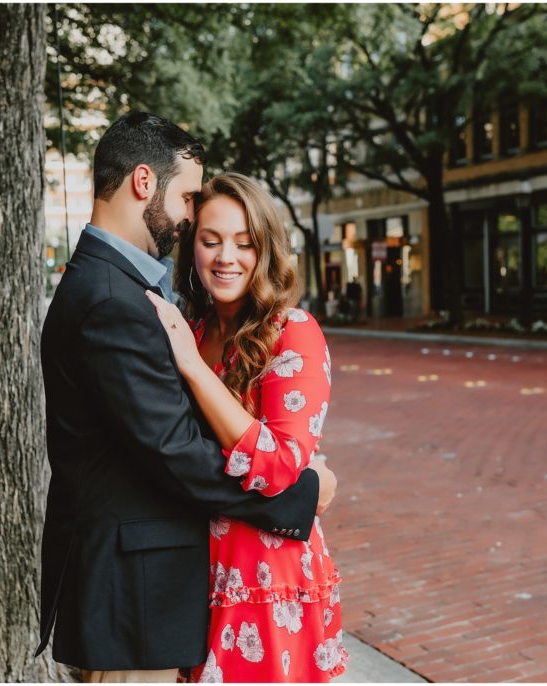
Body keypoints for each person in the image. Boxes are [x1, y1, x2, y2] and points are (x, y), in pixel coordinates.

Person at [36, 111, 337, 682]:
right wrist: (301, 494)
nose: (190, 217)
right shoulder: (115, 300)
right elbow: (174, 450)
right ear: (144, 184)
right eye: (191, 204)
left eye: (244, 243)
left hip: (200, 587)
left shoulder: (128, 294)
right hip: (135, 598)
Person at [146, 172, 348, 682]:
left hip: (267, 573)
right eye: (211, 241)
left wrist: (192, 367)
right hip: (197, 568)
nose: (225, 257)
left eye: (244, 243)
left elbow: (279, 464)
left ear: (265, 249)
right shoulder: (188, 329)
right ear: (192, 247)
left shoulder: (291, 331)